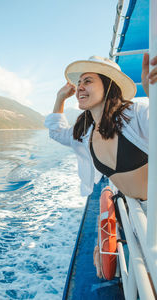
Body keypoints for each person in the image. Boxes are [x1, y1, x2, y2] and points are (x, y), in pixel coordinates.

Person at [44, 54, 157, 277]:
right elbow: (56, 132)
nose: (79, 88)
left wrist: (153, 94)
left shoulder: (136, 114)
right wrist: (60, 98)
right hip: (136, 211)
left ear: (108, 85)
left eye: (88, 81)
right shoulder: (85, 132)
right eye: (78, 83)